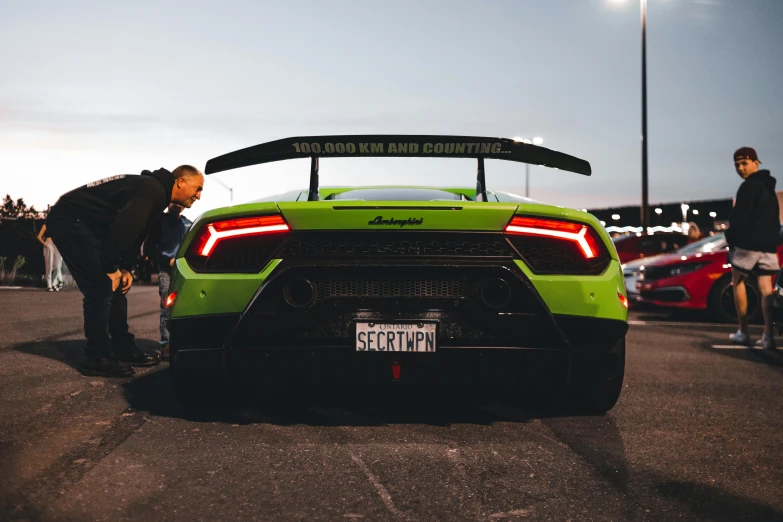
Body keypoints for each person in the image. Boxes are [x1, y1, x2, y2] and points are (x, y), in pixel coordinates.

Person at [46, 166, 204, 376]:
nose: (199, 196)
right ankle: (97, 356)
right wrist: (111, 267)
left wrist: (125, 268)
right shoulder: (151, 190)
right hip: (69, 219)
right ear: (181, 182)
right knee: (100, 285)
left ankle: (122, 347)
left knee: (117, 285)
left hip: (90, 226)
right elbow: (125, 226)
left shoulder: (156, 194)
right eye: (197, 188)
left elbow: (137, 233)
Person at [725, 147, 780, 350]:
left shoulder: (748, 187)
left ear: (756, 162)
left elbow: (740, 219)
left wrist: (730, 237)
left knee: (737, 281)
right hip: (769, 245)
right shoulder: (769, 188)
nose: (740, 168)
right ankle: (768, 336)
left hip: (748, 245)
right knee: (766, 290)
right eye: (737, 165)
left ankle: (744, 332)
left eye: (744, 163)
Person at [144, 203, 192, 361]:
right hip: (167, 271)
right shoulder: (160, 222)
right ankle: (166, 344)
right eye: (174, 202)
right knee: (167, 308)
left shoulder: (187, 224)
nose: (178, 205)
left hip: (185, 272)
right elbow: (150, 249)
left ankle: (183, 342)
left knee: (185, 307)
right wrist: (168, 261)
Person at [36, 224, 64, 291]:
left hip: (57, 244)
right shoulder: (45, 225)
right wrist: (45, 244)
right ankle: (49, 285)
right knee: (49, 265)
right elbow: (39, 236)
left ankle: (53, 283)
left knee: (57, 266)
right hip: (49, 243)